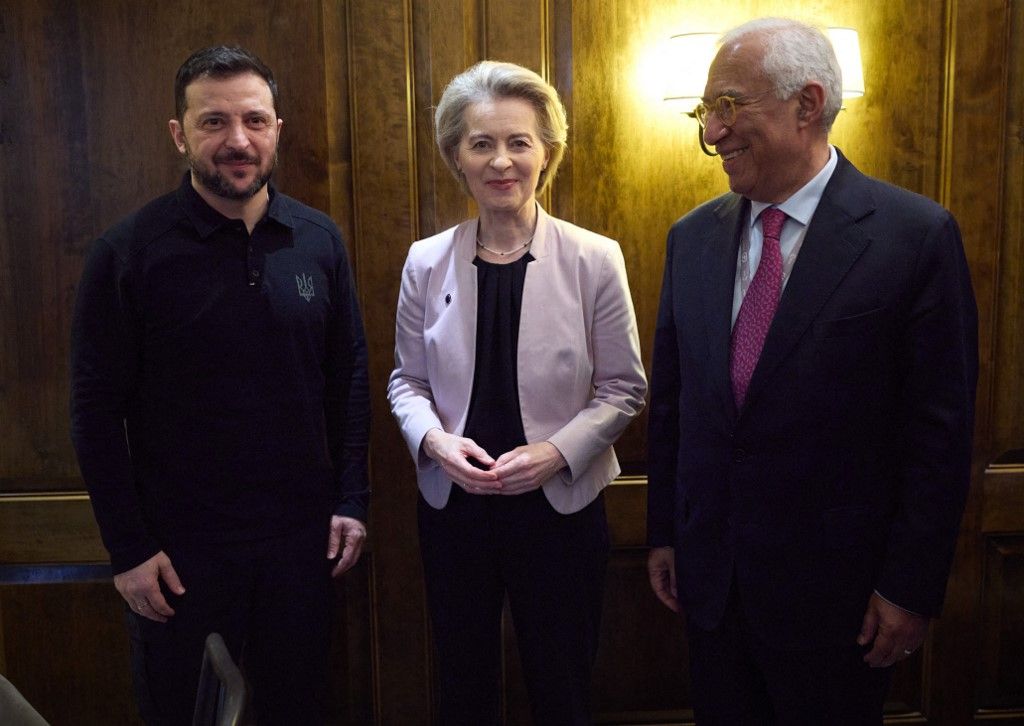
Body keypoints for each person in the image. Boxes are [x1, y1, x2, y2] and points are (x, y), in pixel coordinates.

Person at [646, 18, 978, 725]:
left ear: (807, 103)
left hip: (841, 602)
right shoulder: (691, 238)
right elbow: (676, 406)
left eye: (729, 105)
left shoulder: (913, 237)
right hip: (714, 592)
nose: (713, 132)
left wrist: (909, 586)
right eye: (706, 111)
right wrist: (666, 534)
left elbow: (939, 438)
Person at [70, 45, 369, 726]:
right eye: (213, 123)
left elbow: (348, 379)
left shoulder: (319, 240)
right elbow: (92, 413)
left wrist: (352, 499)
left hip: (302, 551)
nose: (238, 140)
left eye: (254, 121)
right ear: (179, 134)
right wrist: (129, 549)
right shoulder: (128, 254)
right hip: (178, 560)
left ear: (277, 129)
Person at [387, 61, 647, 725]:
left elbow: (624, 387)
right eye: (481, 144)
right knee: (463, 684)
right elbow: (406, 381)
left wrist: (556, 453)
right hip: (456, 509)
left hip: (559, 509)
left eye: (519, 142)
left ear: (547, 154)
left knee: (562, 686)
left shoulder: (595, 257)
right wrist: (434, 441)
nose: (501, 161)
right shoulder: (425, 260)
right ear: (456, 156)